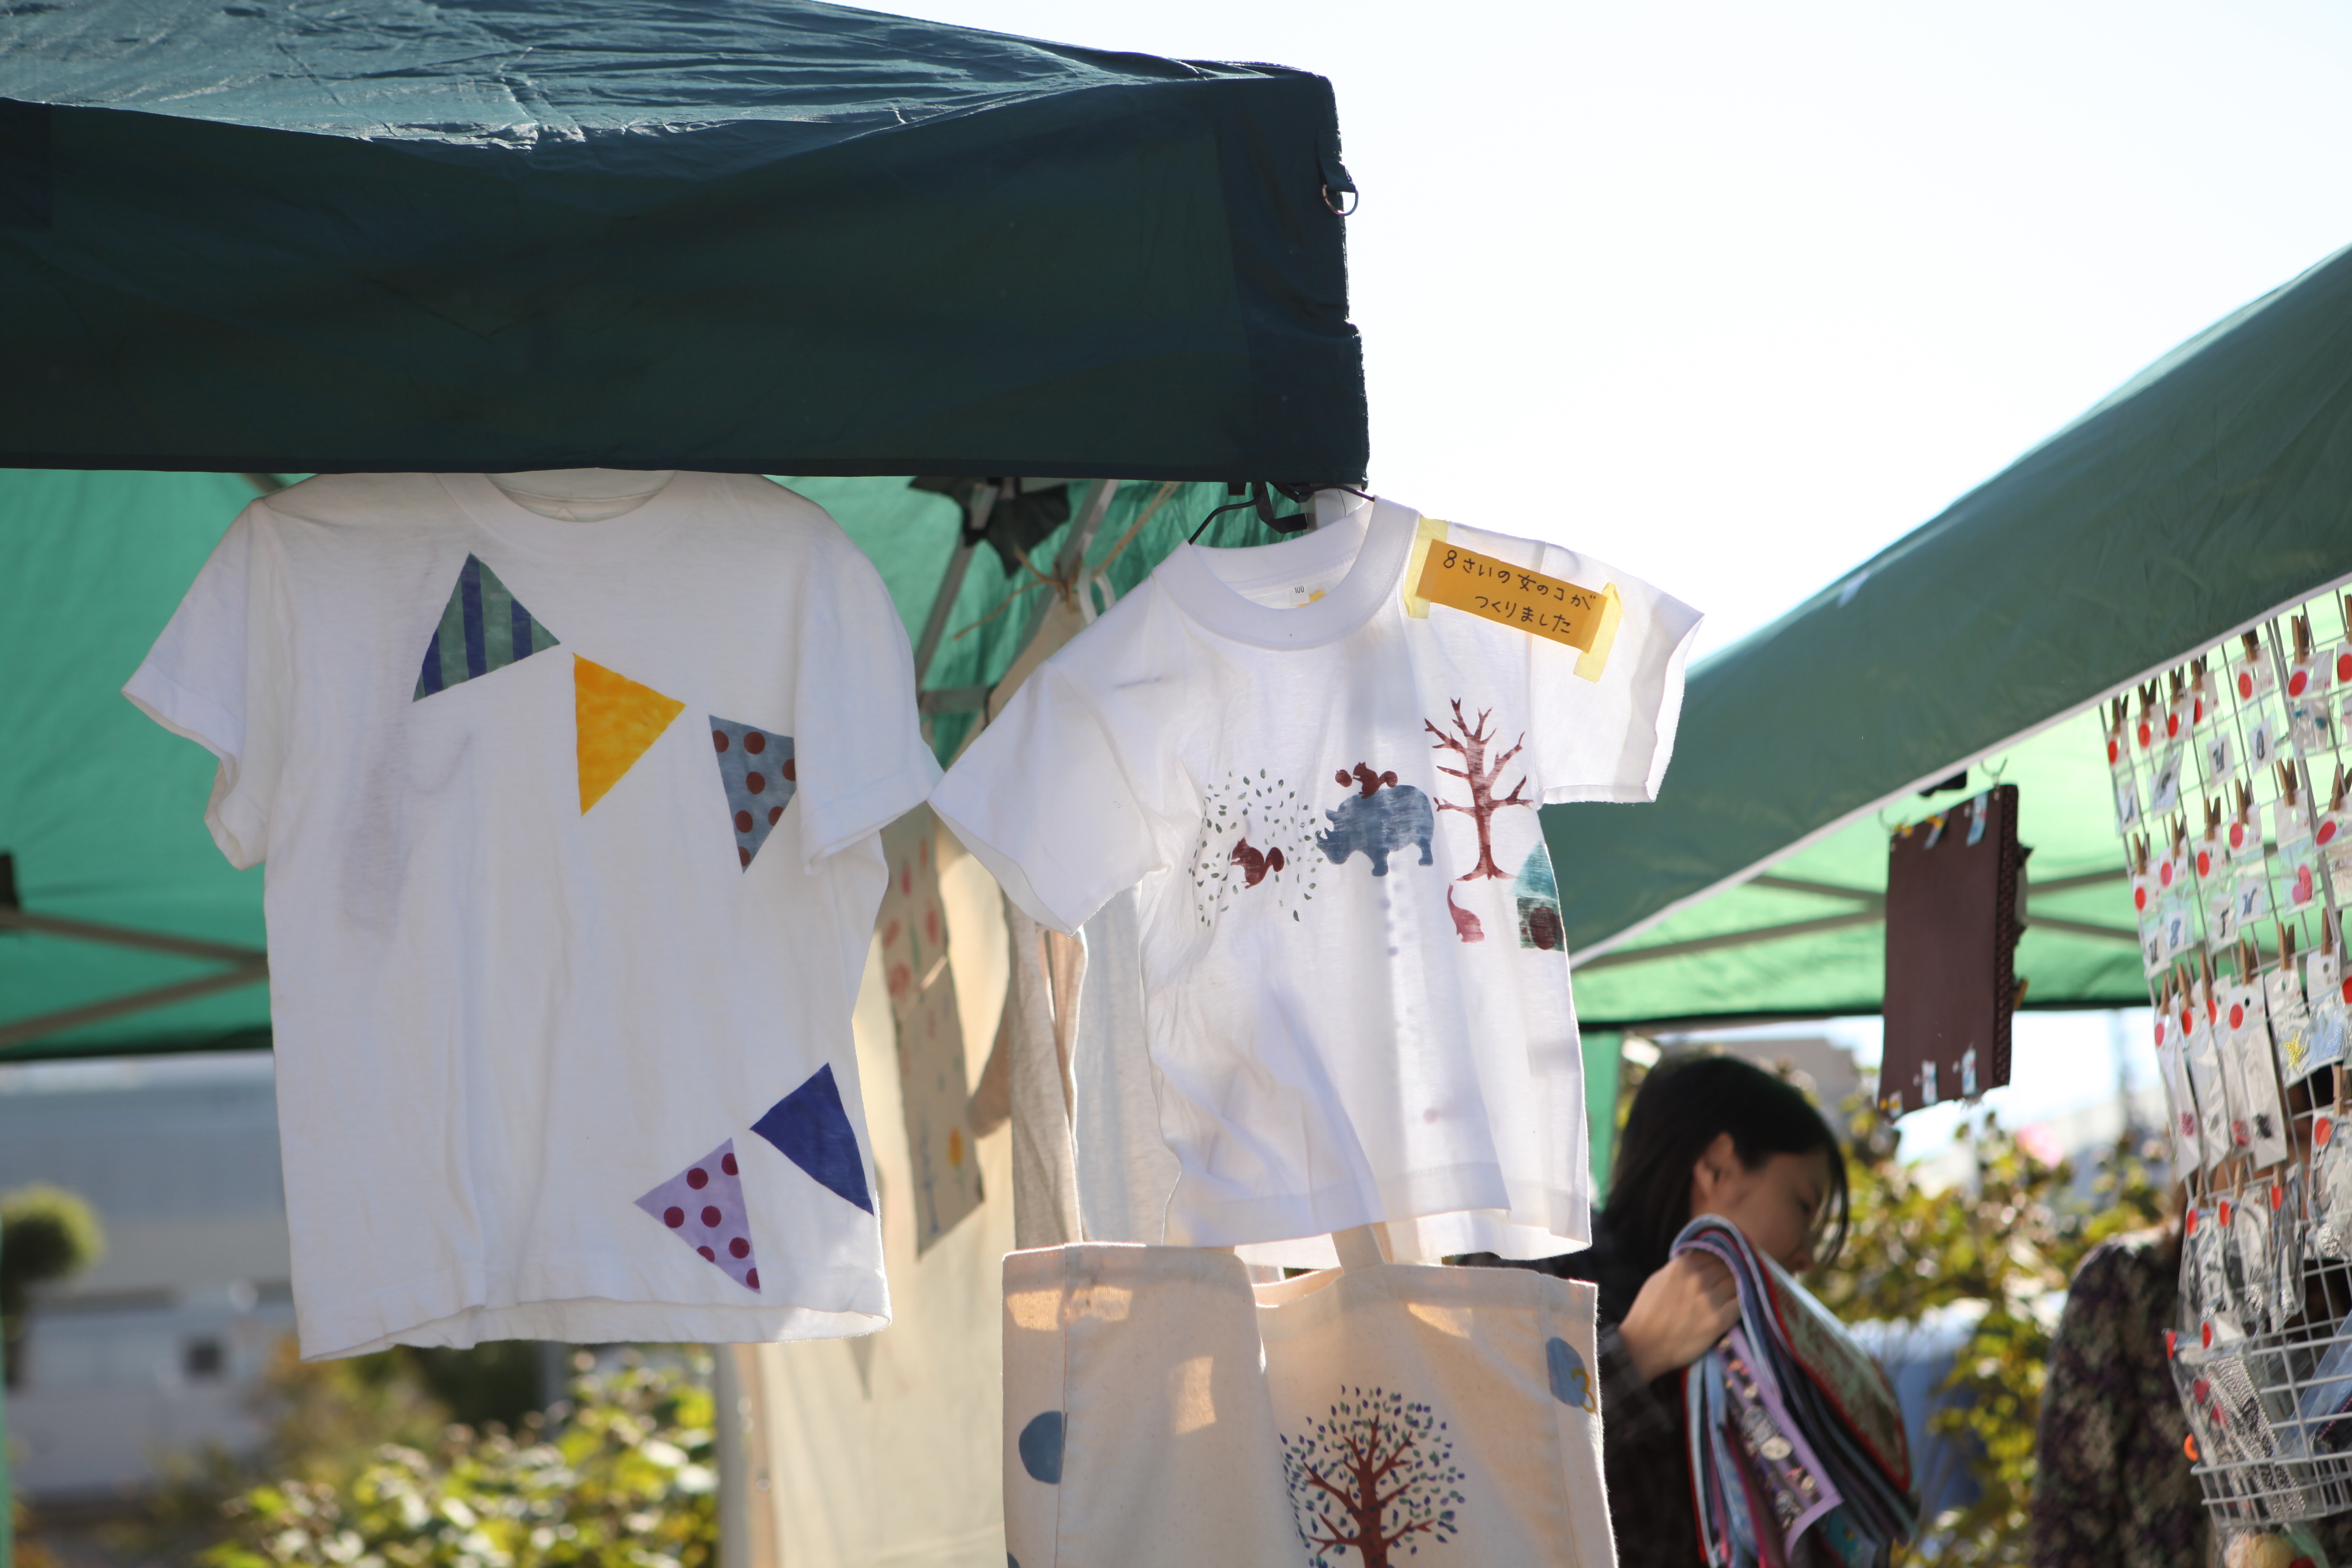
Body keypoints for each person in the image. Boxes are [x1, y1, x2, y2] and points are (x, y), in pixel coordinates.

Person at [1468, 1050, 1850, 1568]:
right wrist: (1637, 1352)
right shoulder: (1532, 1260)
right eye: (1803, 1206)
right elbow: (1480, 1460)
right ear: (1718, 1167)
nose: (1804, 1256)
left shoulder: (1749, 1355)